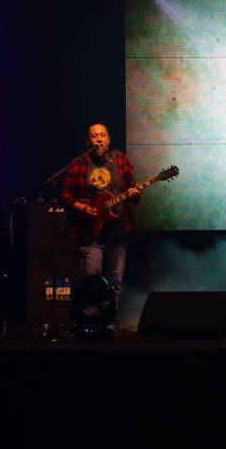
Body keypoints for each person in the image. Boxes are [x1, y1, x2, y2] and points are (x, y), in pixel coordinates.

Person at [57, 123, 141, 324]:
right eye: (94, 136)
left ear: (108, 139)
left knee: (115, 280)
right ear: (88, 141)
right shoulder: (79, 163)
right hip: (89, 232)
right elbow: (63, 194)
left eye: (102, 135)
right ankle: (88, 322)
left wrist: (135, 194)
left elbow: (135, 193)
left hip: (117, 230)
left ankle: (109, 321)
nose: (99, 139)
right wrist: (80, 207)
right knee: (90, 277)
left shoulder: (121, 161)